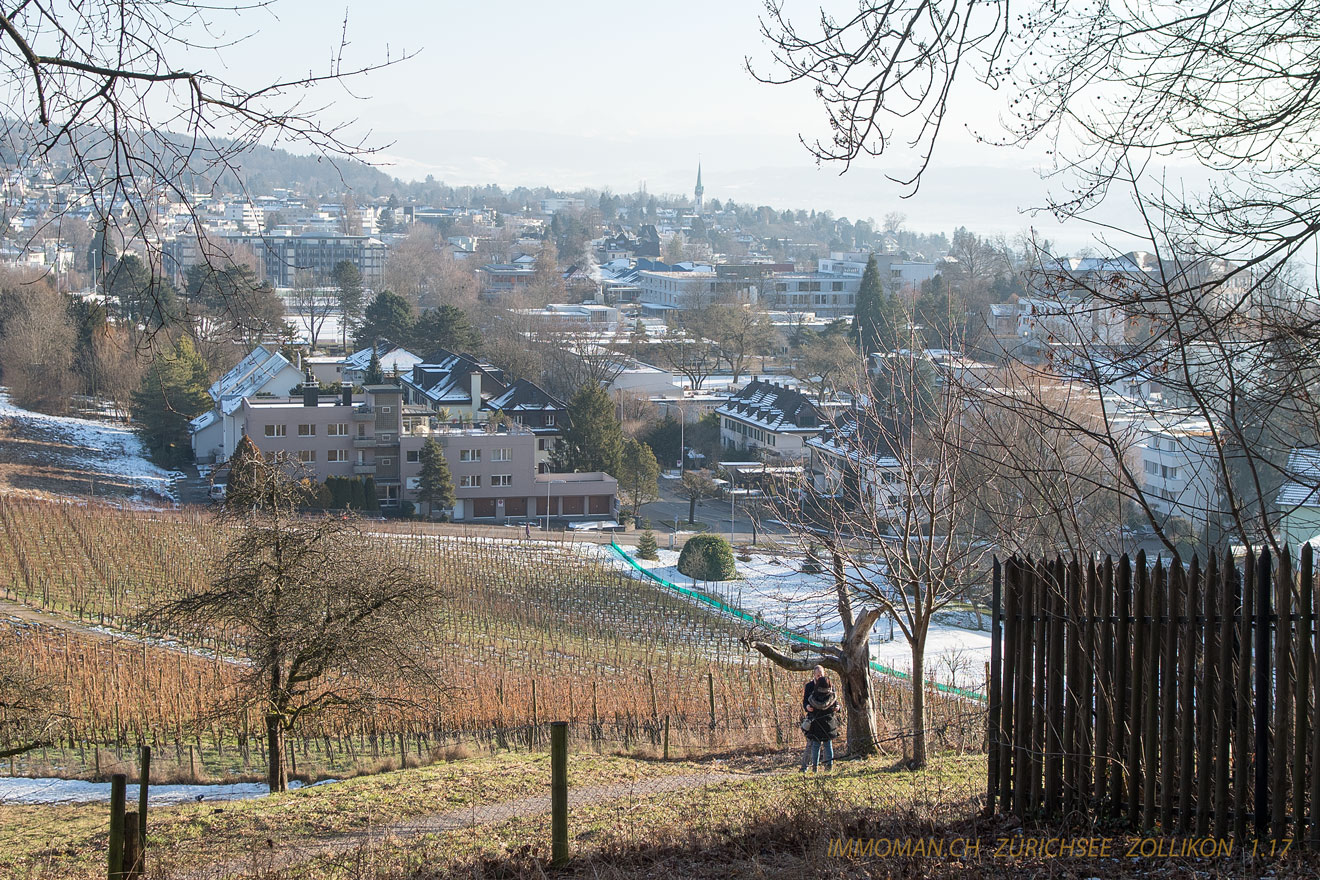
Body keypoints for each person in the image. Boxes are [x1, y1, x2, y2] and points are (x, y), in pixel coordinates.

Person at [800, 674, 840, 773]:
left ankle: (815, 768)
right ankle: (829, 767)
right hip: (829, 725)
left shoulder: (813, 697)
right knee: (828, 746)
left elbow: (809, 708)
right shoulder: (832, 697)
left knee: (815, 746)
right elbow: (836, 707)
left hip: (816, 725)